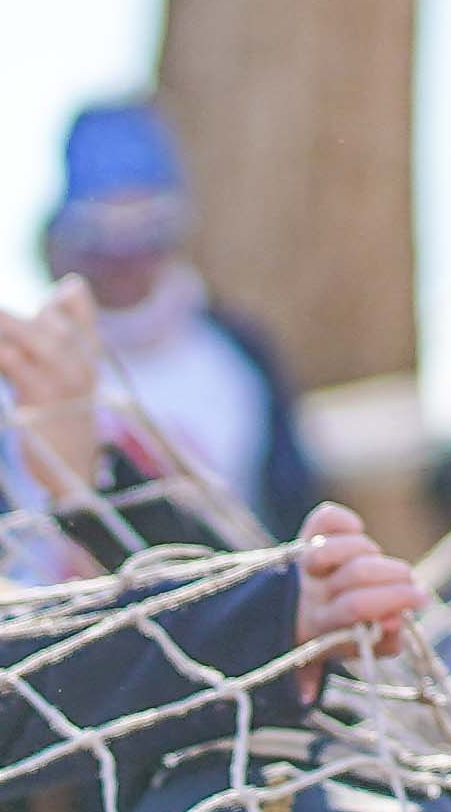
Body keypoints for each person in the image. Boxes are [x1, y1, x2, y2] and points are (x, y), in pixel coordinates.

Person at [38, 99, 322, 537]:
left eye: (147, 228)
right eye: (101, 233)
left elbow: (288, 506)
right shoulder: (23, 366)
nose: (125, 257)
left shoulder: (236, 355)